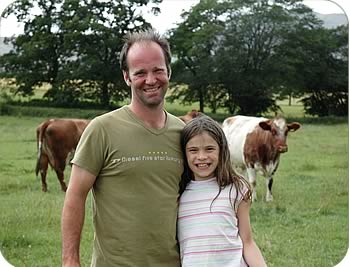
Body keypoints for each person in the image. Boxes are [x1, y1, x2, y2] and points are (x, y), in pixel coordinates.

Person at [61, 28, 185, 267]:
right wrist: (70, 261)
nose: (151, 80)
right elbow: (75, 196)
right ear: (127, 77)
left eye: (158, 70)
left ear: (168, 71)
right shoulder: (102, 129)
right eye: (140, 73)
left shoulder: (183, 133)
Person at [178, 115, 267, 267]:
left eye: (209, 149)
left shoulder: (236, 189)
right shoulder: (177, 192)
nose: (201, 157)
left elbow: (248, 242)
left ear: (222, 150)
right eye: (193, 150)